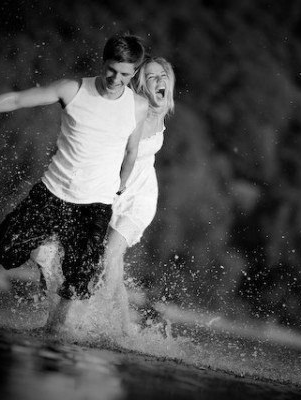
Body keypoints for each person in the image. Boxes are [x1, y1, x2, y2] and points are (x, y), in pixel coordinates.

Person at [0, 34, 149, 334]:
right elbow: (16, 99)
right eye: (111, 70)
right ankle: (44, 254)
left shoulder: (137, 106)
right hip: (52, 194)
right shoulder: (73, 89)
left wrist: (120, 187)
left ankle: (54, 330)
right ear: (103, 63)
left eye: (125, 74)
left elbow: (131, 151)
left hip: (95, 206)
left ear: (135, 72)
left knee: (79, 282)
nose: (116, 79)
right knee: (2, 249)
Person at [101, 56, 175, 335]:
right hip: (112, 193)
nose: (159, 81)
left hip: (140, 198)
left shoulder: (161, 109)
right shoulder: (131, 109)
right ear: (142, 84)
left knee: (110, 256)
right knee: (109, 263)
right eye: (152, 77)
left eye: (162, 76)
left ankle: (109, 325)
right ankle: (122, 328)